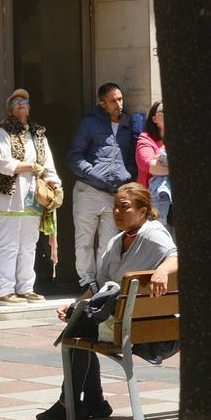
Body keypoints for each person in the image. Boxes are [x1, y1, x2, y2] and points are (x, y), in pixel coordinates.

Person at [37, 182, 177, 420]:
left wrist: (162, 271)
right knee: (80, 321)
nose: (117, 213)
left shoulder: (154, 233)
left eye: (124, 207)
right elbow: (99, 287)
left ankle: (71, 402)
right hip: (120, 321)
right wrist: (74, 304)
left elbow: (176, 255)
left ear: (143, 211)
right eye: (115, 207)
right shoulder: (115, 242)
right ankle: (94, 401)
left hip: (144, 329)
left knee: (79, 329)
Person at [0, 89, 59, 305]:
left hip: (33, 195)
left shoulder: (38, 134)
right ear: (10, 107)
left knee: (29, 243)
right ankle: (5, 290)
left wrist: (55, 184)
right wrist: (29, 166)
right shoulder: (3, 132)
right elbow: (3, 163)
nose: (20, 104)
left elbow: (48, 165)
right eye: (15, 101)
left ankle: (26, 287)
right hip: (8, 196)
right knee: (10, 243)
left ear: (29, 107)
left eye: (24, 101)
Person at [69, 82, 138, 286]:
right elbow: (74, 157)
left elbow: (132, 158)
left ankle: (102, 283)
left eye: (120, 99)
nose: (118, 104)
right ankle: (87, 282)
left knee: (109, 243)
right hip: (88, 190)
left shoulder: (128, 124)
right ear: (102, 104)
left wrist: (128, 176)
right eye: (113, 101)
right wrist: (94, 175)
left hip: (115, 194)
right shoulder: (89, 124)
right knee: (84, 240)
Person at [135, 99, 171, 224]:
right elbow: (149, 165)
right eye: (163, 111)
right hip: (152, 202)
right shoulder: (145, 139)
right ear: (154, 119)